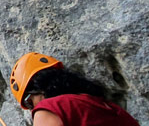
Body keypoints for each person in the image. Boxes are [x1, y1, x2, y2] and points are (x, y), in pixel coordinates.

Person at [9, 52, 139, 126]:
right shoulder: (109, 108)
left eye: (29, 102)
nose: (32, 109)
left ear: (38, 88)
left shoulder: (48, 108)